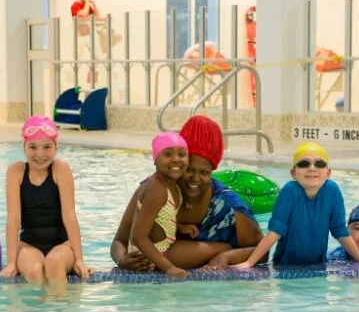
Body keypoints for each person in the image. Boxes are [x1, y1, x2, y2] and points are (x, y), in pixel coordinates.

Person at [111, 115, 263, 270]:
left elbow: (263, 252)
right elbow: (119, 241)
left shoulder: (228, 207)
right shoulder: (154, 190)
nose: (194, 179)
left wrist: (226, 256)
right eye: (189, 170)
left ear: (212, 171)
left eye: (204, 172)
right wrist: (122, 260)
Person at [235, 143, 359, 268]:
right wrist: (250, 263)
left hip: (319, 265)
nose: (312, 168)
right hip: (285, 266)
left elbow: (340, 231)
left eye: (319, 164)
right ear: (293, 173)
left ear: (328, 172)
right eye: (304, 164)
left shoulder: (332, 191)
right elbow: (275, 232)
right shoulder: (289, 191)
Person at [0, 115, 94, 284]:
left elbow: (70, 215)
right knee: (35, 271)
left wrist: (79, 259)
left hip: (62, 245)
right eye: (33, 147)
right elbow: (13, 219)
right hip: (29, 245)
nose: (40, 154)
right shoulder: (16, 172)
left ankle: (58, 309)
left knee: (54, 264)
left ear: (56, 147)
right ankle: (38, 311)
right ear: (24, 147)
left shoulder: (61, 169)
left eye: (47, 147)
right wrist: (12, 262)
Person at [129, 132, 191, 278]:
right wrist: (168, 268)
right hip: (150, 257)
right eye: (168, 154)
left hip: (157, 252)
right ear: (155, 159)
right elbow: (139, 237)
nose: (176, 159)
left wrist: (181, 228)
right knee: (221, 249)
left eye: (182, 154)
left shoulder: (172, 185)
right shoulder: (157, 188)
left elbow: (157, 220)